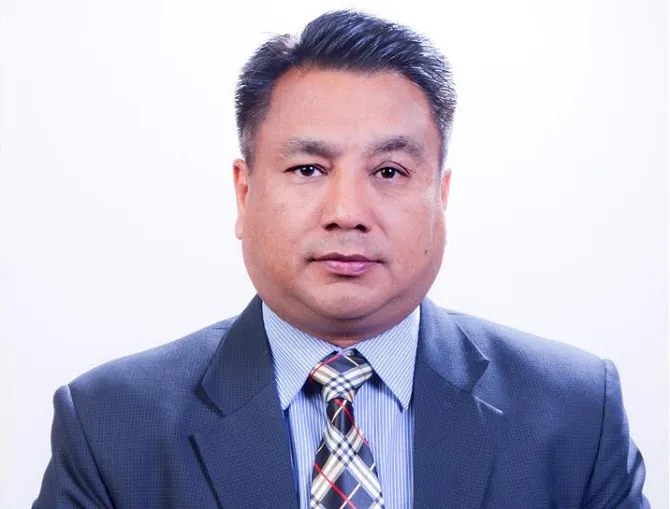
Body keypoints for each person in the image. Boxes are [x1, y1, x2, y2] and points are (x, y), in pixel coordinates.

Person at [33, 9, 649, 509]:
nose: (347, 211)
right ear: (244, 193)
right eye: (309, 169)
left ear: (441, 195)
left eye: (389, 171)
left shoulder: (574, 413)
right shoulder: (111, 425)